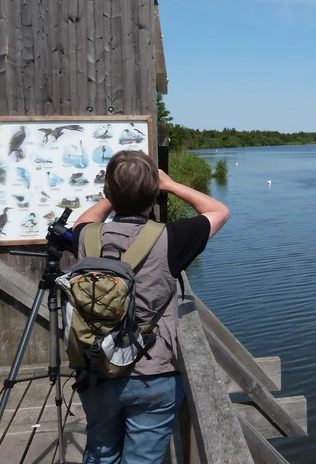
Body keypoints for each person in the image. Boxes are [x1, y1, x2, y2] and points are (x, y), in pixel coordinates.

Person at [71, 150, 230, 464]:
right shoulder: (170, 238)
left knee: (100, 452)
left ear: (108, 193)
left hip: (97, 369)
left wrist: (111, 196)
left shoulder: (87, 238)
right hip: (153, 372)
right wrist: (169, 185)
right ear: (154, 193)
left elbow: (83, 220)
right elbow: (219, 211)